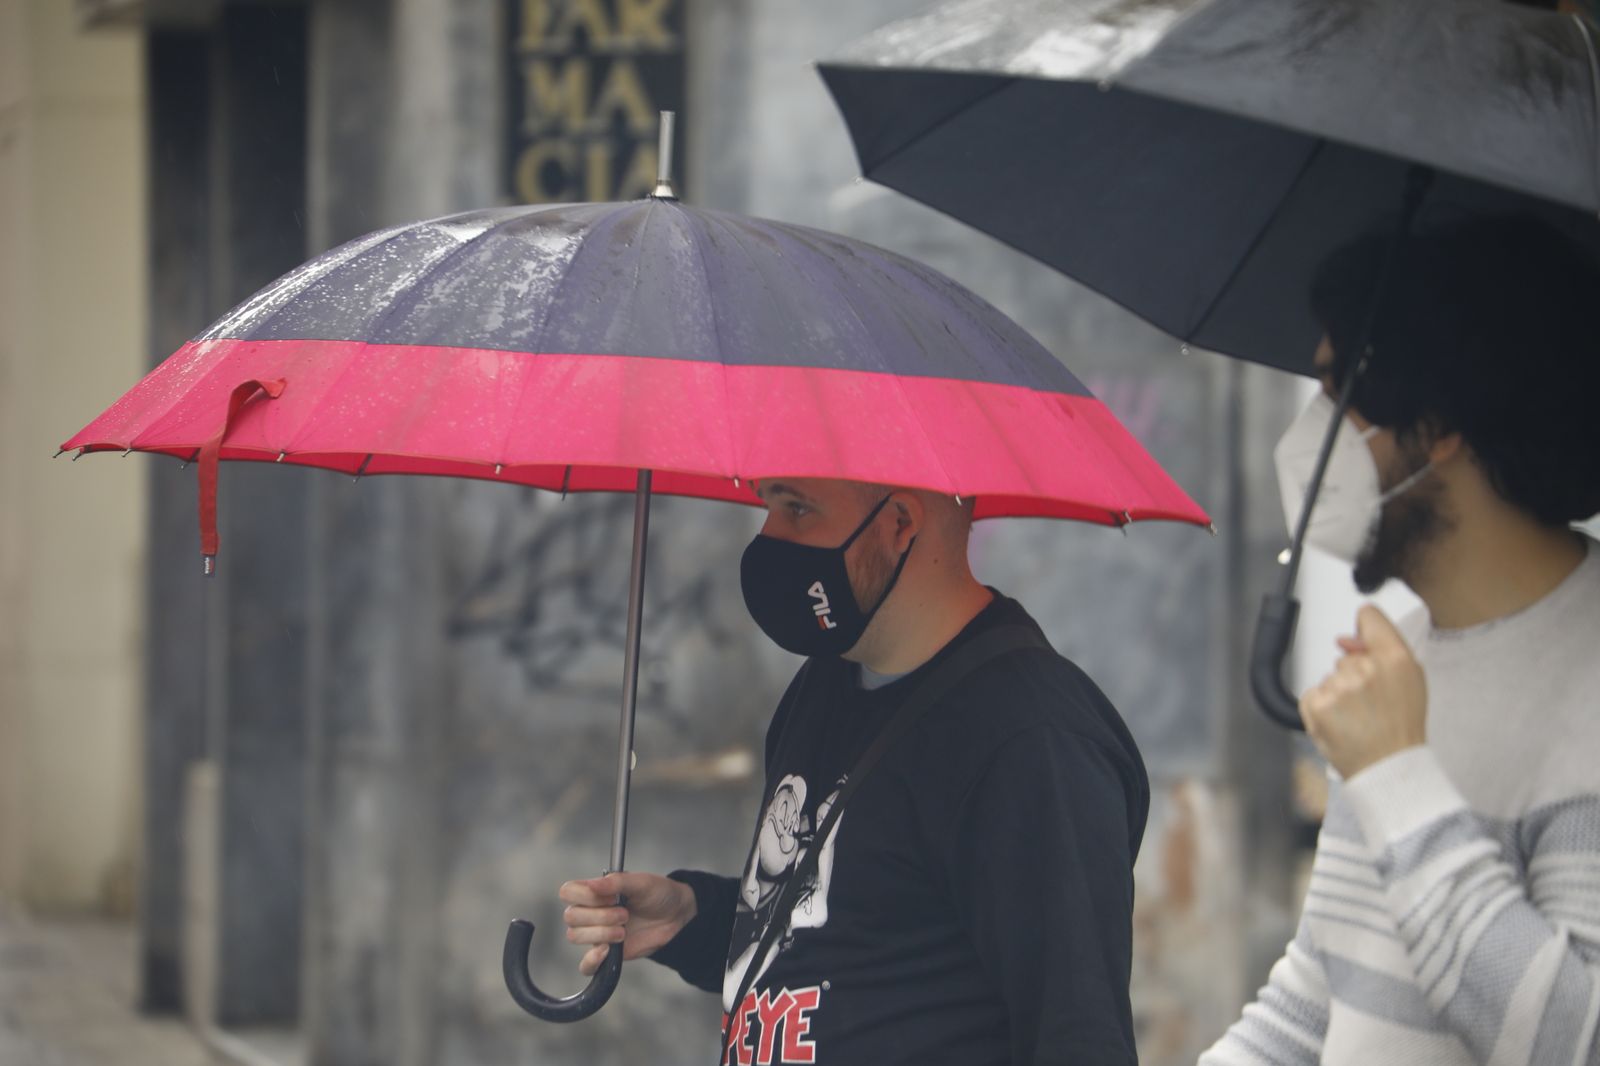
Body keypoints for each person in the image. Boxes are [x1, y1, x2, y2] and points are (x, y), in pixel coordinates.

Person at [560, 478, 1148, 1065]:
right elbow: (851, 941)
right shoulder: (826, 682)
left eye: (798, 508)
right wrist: (695, 917)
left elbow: (1078, 1034)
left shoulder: (1032, 740)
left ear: (899, 523)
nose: (769, 536)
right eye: (771, 507)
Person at [1202, 214, 1600, 1065]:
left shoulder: (1585, 678)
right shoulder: (1403, 654)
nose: (1309, 439)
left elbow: (1575, 1040)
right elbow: (1317, 1001)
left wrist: (1396, 774)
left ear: (1437, 423)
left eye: (1336, 392)